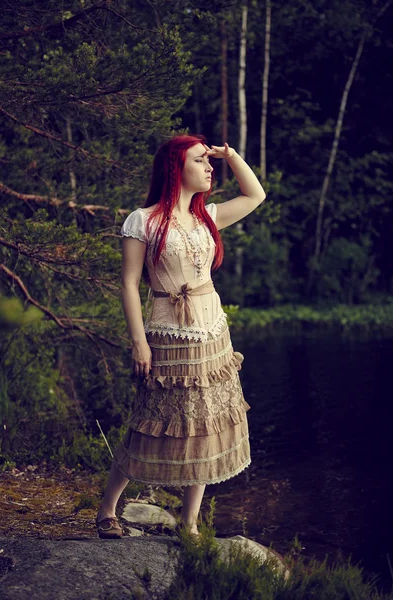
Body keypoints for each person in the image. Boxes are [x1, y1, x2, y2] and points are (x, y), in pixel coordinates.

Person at [95, 134, 266, 539]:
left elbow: (255, 194)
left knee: (206, 424)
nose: (209, 168)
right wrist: (139, 342)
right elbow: (129, 283)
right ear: (176, 167)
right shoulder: (143, 220)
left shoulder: (208, 217)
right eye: (200, 161)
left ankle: (188, 524)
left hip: (212, 334)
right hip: (168, 336)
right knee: (149, 421)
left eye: (210, 162)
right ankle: (107, 510)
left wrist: (231, 154)